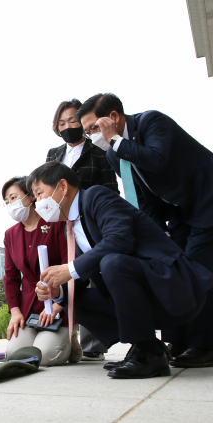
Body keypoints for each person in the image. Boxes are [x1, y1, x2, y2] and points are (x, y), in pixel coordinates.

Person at [30, 161, 213, 378]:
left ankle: (148, 353)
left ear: (62, 186)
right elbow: (78, 278)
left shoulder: (96, 197)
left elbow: (119, 239)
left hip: (172, 289)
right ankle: (146, 347)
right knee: (71, 297)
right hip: (144, 299)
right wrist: (56, 292)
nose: (38, 202)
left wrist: (70, 269)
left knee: (112, 262)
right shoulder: (71, 228)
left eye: (40, 193)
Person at [77, 93, 213, 368]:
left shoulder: (152, 122)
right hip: (179, 214)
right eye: (87, 131)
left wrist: (116, 140)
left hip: (207, 200)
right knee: (174, 267)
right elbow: (138, 194)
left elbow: (157, 159)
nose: (92, 136)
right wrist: (155, 236)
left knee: (198, 269)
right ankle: (176, 343)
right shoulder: (115, 155)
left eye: (94, 128)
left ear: (113, 117)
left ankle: (205, 345)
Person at [47, 98, 119, 361]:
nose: (68, 126)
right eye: (62, 122)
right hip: (62, 225)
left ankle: (93, 344)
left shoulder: (98, 150)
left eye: (73, 121)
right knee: (67, 279)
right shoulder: (54, 154)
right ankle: (69, 341)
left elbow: (111, 189)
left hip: (90, 222)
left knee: (92, 276)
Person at [1, 176, 78, 366]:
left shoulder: (56, 223)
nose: (11, 204)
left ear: (31, 196)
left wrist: (59, 304)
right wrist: (16, 312)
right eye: (7, 202)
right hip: (29, 309)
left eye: (14, 197)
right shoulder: (11, 234)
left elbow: (68, 265)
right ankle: (56, 338)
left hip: (59, 303)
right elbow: (10, 278)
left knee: (44, 356)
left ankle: (71, 341)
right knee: (15, 354)